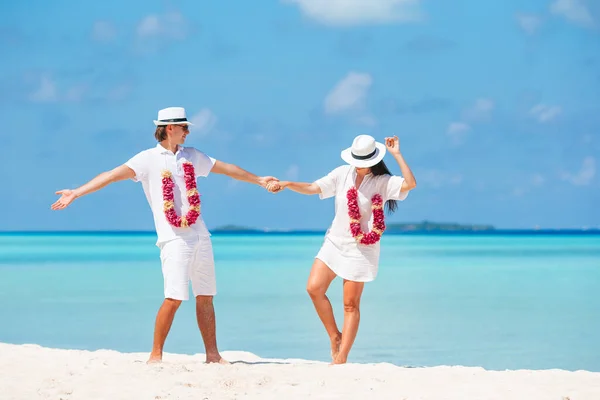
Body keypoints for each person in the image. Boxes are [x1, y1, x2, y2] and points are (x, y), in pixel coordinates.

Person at [51, 106, 279, 364]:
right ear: (170, 128)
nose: (188, 131)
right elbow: (111, 176)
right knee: (174, 297)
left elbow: (226, 169)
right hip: (173, 238)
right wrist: (76, 192)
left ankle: (213, 356)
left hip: (200, 235)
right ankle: (155, 355)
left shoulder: (191, 156)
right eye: (184, 127)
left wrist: (259, 179)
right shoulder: (146, 159)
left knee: (206, 296)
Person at [268, 134, 416, 364]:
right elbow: (313, 187)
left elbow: (410, 184)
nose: (358, 164)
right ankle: (334, 335)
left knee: (350, 304)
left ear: (373, 159)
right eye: (356, 159)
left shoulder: (383, 181)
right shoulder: (341, 173)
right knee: (314, 288)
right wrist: (287, 184)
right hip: (335, 242)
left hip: (361, 249)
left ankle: (341, 358)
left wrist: (397, 154)